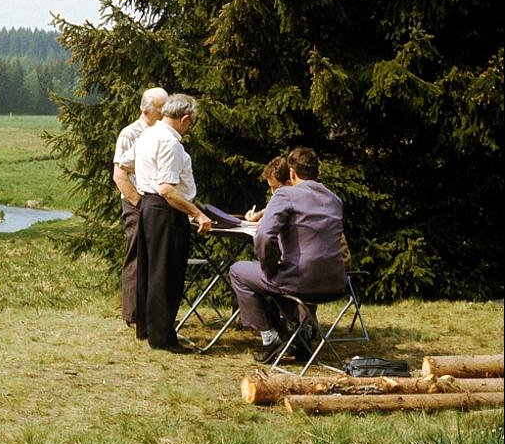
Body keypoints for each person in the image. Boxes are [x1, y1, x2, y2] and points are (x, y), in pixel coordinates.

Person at [228, 147, 348, 363]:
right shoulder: (334, 199)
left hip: (299, 279)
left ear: (292, 174)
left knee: (238, 271)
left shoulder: (285, 194)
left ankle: (270, 337)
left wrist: (269, 267)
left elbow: (264, 237)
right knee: (297, 273)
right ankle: (302, 336)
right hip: (336, 283)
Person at [124, 93, 212, 353]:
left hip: (148, 207)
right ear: (185, 118)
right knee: (167, 274)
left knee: (150, 271)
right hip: (166, 210)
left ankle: (148, 329)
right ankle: (163, 338)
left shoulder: (147, 134)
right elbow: (167, 189)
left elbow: (123, 165)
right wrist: (196, 213)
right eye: (190, 122)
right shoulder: (171, 143)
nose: (189, 127)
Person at [111, 87, 169, 327]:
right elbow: (119, 175)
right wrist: (139, 204)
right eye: (161, 109)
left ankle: (152, 312)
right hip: (138, 203)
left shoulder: (163, 132)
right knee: (136, 256)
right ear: (146, 110)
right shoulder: (130, 134)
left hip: (157, 203)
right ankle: (133, 314)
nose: (165, 112)